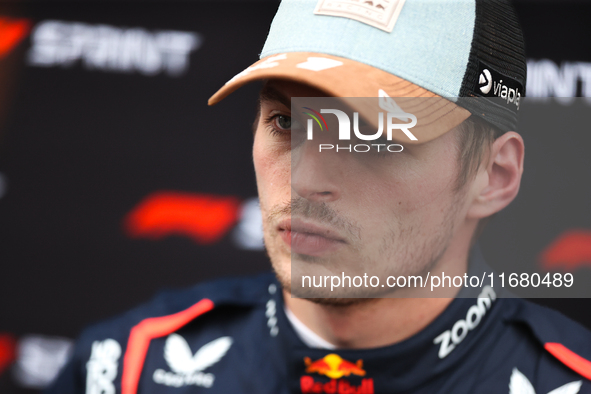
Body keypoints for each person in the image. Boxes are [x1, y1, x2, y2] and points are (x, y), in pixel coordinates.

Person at [47, 0, 591, 393]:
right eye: (285, 120)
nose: (306, 179)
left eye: (373, 135)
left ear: (493, 176)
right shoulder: (128, 367)